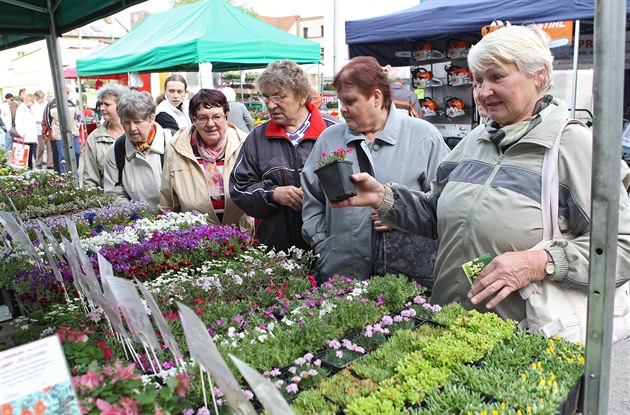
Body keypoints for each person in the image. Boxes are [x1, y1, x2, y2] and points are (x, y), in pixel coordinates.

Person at [330, 25, 630, 322]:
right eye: (477, 81)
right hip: (452, 325)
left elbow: (621, 247)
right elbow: (437, 214)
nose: (484, 92)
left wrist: (541, 262)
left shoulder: (571, 145)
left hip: (524, 341)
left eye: (497, 77)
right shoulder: (474, 141)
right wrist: (385, 198)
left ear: (538, 73)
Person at [301, 56, 449, 283]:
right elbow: (312, 197)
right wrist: (322, 242)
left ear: (377, 98)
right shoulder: (329, 139)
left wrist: (399, 211)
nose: (343, 110)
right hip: (341, 273)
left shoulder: (424, 136)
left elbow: (445, 202)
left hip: (406, 278)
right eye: (341, 102)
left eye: (350, 101)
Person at [230, 59, 337, 252]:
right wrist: (273, 194)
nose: (270, 105)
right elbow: (239, 188)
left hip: (330, 246)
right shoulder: (257, 137)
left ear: (302, 95)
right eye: (266, 98)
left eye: (279, 97)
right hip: (276, 249)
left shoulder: (334, 131)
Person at [160, 89, 253, 234]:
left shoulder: (245, 144)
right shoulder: (176, 149)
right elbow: (168, 202)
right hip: (196, 240)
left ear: (226, 116)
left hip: (242, 234)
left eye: (217, 116)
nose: (210, 124)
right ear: (193, 119)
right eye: (203, 118)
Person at [103, 90, 172, 213]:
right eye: (127, 123)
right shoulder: (116, 151)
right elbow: (114, 194)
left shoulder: (171, 143)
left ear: (152, 119)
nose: (132, 128)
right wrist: (137, 217)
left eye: (137, 122)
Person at [81, 85, 129, 188]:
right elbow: (90, 179)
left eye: (106, 104)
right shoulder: (95, 138)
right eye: (101, 104)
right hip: (109, 200)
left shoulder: (134, 133)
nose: (101, 108)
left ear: (121, 106)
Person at [42, 85, 80, 174]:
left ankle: (74, 169)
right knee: (63, 155)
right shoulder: (51, 104)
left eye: (67, 93)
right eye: (65, 92)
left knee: (77, 152)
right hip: (58, 133)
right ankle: (64, 175)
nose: (66, 94)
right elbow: (47, 119)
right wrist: (53, 129)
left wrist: (76, 126)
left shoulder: (71, 103)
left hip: (73, 132)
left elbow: (76, 117)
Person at [14, 94, 38, 169]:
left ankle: (30, 167)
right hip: (25, 136)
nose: (33, 103)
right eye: (32, 101)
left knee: (31, 154)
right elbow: (18, 122)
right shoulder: (21, 109)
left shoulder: (31, 108)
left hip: (32, 136)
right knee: (26, 155)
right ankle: (27, 168)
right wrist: (22, 133)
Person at [32, 90, 52, 170]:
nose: (42, 99)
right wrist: (43, 120)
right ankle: (38, 162)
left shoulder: (45, 104)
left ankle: (50, 163)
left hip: (47, 128)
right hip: (39, 129)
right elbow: (35, 118)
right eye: (41, 98)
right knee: (41, 147)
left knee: (49, 146)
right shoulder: (34, 106)